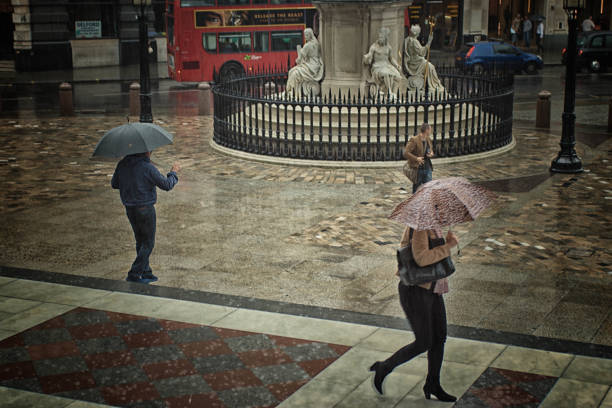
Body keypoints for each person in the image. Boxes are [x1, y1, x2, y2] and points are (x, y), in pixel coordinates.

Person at [369, 226, 459, 402]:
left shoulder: (434, 226)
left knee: (439, 337)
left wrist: (445, 242)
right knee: (424, 341)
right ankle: (384, 367)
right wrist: (448, 245)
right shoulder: (420, 228)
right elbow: (421, 258)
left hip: (432, 288)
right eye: (438, 206)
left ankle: (433, 383)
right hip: (415, 291)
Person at [111, 152, 181, 283]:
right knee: (148, 243)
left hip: (130, 208)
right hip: (145, 208)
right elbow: (166, 185)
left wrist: (130, 182)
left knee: (140, 241)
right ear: (145, 152)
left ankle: (146, 272)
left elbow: (114, 184)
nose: (151, 153)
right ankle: (134, 273)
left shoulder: (122, 164)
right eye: (150, 150)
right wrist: (173, 172)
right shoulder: (147, 167)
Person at [403, 25, 445, 95]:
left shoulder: (408, 39)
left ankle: (433, 84)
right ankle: (434, 85)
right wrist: (429, 42)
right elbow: (422, 53)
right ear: (417, 33)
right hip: (415, 63)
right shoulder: (414, 42)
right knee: (430, 66)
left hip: (414, 61)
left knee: (428, 65)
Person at [363, 27, 403, 97]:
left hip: (386, 66)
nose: (380, 38)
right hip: (377, 67)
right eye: (379, 37)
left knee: (398, 76)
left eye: (382, 37)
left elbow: (391, 58)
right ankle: (389, 92)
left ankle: (394, 93)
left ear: (385, 38)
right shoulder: (374, 47)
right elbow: (369, 57)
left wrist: (397, 65)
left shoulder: (388, 47)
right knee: (386, 73)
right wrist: (367, 58)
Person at [286, 28, 324, 97]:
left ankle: (293, 92)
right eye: (305, 35)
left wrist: (298, 54)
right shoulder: (316, 43)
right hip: (316, 65)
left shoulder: (307, 45)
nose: (305, 37)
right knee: (293, 72)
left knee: (293, 73)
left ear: (310, 35)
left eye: (306, 35)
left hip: (310, 66)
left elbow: (299, 59)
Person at [404, 123, 434, 193]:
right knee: (416, 190)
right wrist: (416, 158)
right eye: (430, 129)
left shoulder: (428, 139)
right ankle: (414, 202)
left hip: (427, 167)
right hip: (418, 168)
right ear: (427, 130)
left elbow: (431, 149)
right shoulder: (414, 140)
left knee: (429, 187)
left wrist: (431, 153)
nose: (431, 131)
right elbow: (406, 153)